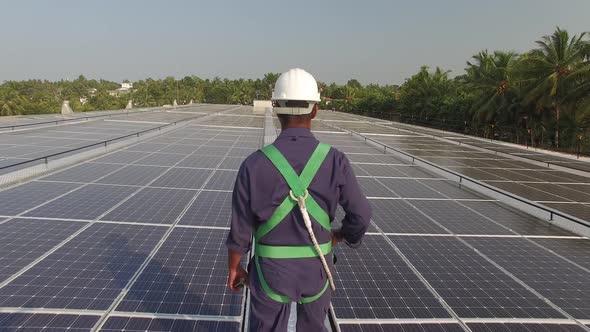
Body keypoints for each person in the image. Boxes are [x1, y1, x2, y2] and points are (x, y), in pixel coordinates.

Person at [226, 68, 371, 332]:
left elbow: (240, 230)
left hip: (271, 272)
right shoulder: (335, 160)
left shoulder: (253, 164)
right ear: (315, 110)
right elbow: (361, 215)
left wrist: (234, 268)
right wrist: (338, 237)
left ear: (275, 108)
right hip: (317, 270)